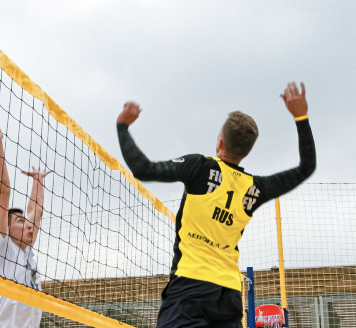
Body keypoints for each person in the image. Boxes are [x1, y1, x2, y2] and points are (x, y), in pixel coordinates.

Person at [116, 82, 316, 328]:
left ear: (220, 143)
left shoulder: (200, 167)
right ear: (246, 150)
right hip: (229, 293)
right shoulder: (255, 188)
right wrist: (301, 116)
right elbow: (306, 168)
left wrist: (122, 126)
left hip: (190, 286)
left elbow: (143, 168)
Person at [0, 110, 53, 328]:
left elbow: (36, 212)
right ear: (6, 229)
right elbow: (2, 195)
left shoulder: (27, 250)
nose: (28, 225)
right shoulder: (0, 249)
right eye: (20, 222)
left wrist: (38, 182)